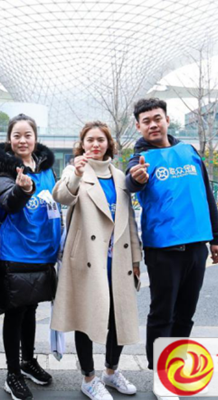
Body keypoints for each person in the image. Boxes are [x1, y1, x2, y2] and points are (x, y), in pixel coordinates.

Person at [124, 98, 218, 400]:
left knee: (185, 314)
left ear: (167, 120)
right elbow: (131, 182)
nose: (153, 124)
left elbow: (206, 193)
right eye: (146, 121)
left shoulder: (190, 152)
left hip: (197, 247)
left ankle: (176, 368)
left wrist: (216, 238)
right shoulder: (139, 159)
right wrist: (136, 179)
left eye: (157, 118)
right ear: (138, 126)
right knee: (162, 314)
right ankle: (160, 375)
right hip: (163, 250)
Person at [52, 121, 142, 400]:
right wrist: (77, 175)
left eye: (100, 140)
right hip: (88, 259)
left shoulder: (120, 176)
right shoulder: (75, 170)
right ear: (82, 144)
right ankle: (88, 378)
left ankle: (111, 372)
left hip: (119, 259)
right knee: (86, 316)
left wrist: (136, 258)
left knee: (119, 317)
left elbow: (129, 220)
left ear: (108, 144)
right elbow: (62, 196)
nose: (95, 144)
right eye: (90, 140)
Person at [0, 114, 59, 400]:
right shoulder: (3, 170)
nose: (22, 140)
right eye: (16, 135)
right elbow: (8, 203)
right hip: (14, 252)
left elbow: (55, 202)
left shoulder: (46, 169)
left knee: (31, 309)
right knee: (16, 312)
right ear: (9, 139)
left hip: (42, 251)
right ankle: (12, 373)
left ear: (36, 138)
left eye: (27, 134)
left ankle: (28, 361)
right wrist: (22, 189)